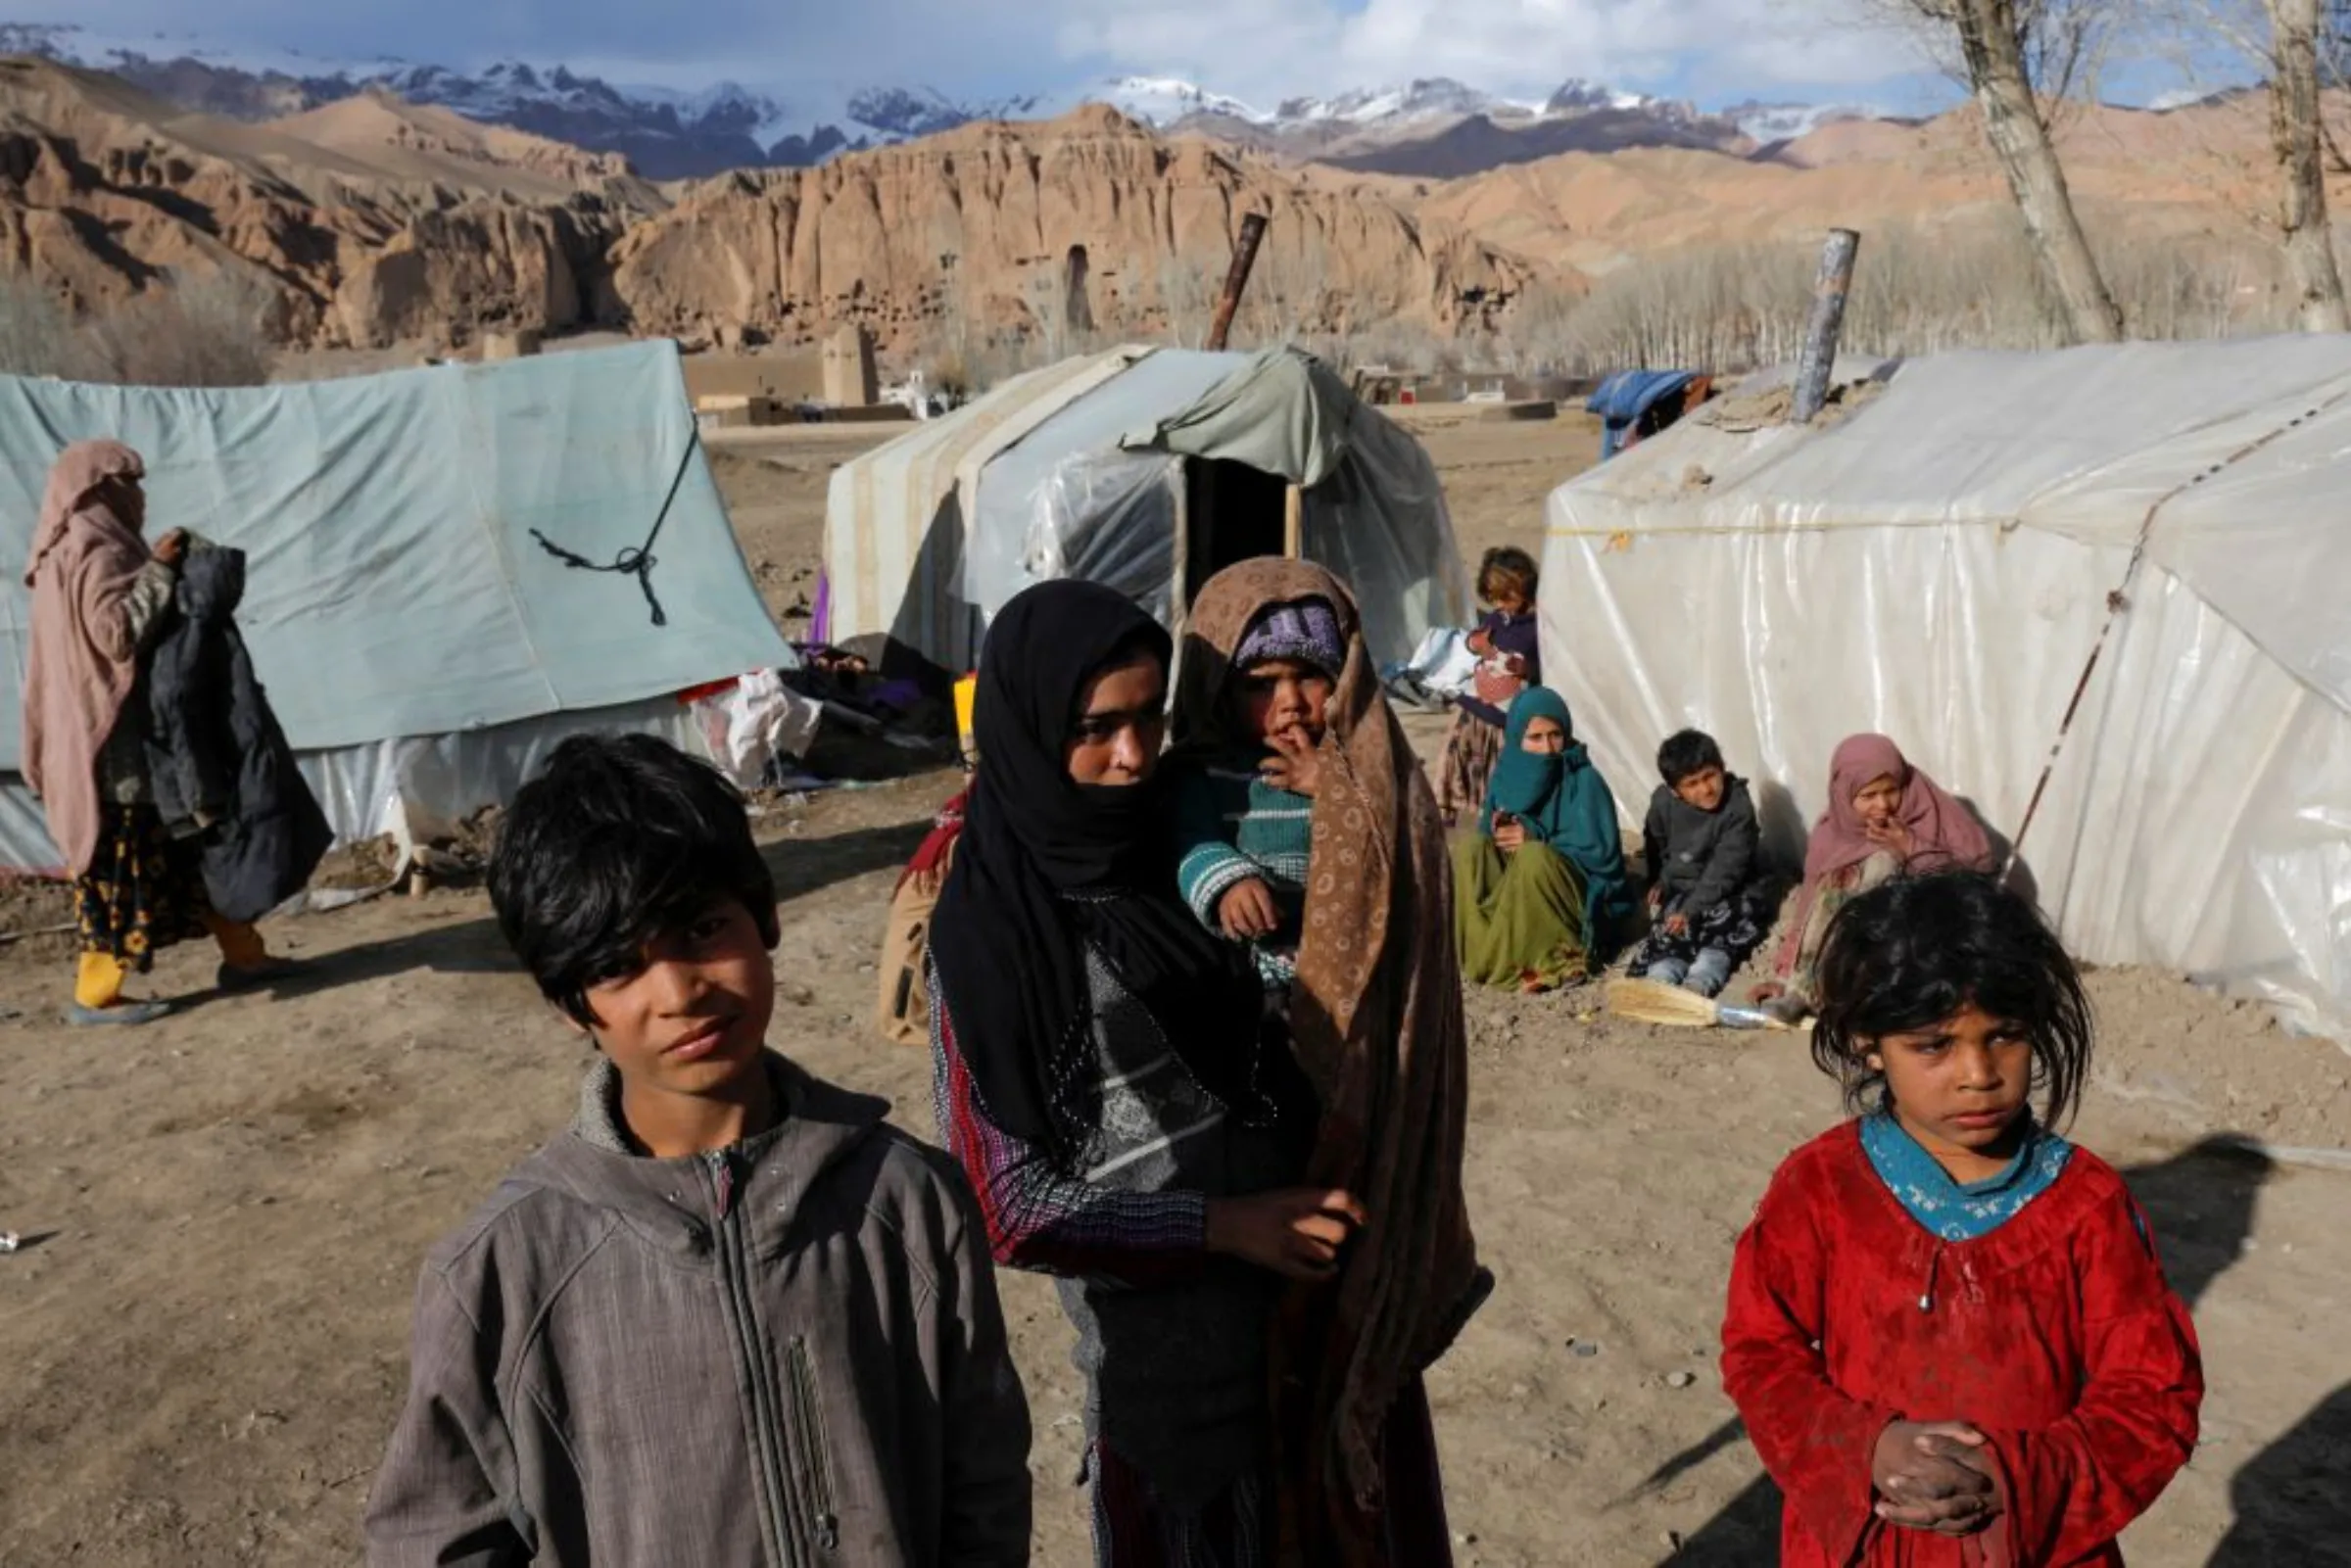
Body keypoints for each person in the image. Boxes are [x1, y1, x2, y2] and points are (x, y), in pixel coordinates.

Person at [364, 734, 1032, 1567]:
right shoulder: (504, 1269)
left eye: (703, 927)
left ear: (767, 914)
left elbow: (984, 1481)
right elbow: (437, 1540)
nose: (679, 991)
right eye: (618, 965)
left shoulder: (905, 1201)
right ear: (569, 1003)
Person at [932, 574, 1479, 1567]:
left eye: (1149, 718)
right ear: (1027, 723)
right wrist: (1230, 1224)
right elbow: (1008, 1202)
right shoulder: (992, 929)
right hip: (1174, 1386)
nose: (1133, 756)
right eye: (1096, 727)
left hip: (1325, 1328)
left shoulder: (1183, 839)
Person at [1721, 871, 2202, 1565]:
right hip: (1865, 1543)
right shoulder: (1822, 1188)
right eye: (1934, 1044)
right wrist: (1865, 1447)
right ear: (1867, 1040)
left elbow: (2154, 1394)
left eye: (2003, 1035)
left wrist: (2022, 1478)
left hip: (2033, 1545)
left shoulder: (2086, 1206)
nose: (1977, 1071)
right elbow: (1762, 1352)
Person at [20, 440, 291, 1025]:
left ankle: (244, 956)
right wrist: (162, 571)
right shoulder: (95, 549)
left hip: (125, 746)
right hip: (119, 753)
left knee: (192, 846)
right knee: (122, 866)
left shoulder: (58, 553)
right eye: (128, 483)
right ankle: (96, 993)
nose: (138, 495)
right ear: (98, 491)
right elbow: (115, 635)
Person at [1169, 593, 1342, 989]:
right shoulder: (1206, 770)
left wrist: (1333, 789)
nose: (1291, 703)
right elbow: (1191, 837)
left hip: (1340, 964)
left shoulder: (1360, 762)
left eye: (1309, 676)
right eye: (1261, 685)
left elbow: (1394, 839)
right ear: (1223, 694)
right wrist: (1229, 882)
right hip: (1247, 970)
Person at [1756, 734, 1992, 1022]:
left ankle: (1880, 997)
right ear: (1844, 795)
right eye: (1868, 796)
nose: (1883, 805)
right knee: (1838, 881)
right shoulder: (1829, 834)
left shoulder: (1930, 810)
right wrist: (1783, 974)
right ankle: (1804, 991)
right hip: (1847, 943)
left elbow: (1977, 872)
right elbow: (1808, 905)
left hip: (1920, 943)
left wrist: (1911, 848)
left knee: (1884, 863)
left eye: (1892, 791)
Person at [1452, 688, 1630, 993]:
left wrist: (1538, 838)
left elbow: (1603, 857)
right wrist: (1500, 833)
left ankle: (1557, 959)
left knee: (1534, 857)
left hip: (1573, 892)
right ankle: (1483, 952)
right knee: (1472, 849)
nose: (1548, 747)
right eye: (1535, 737)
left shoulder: (1583, 779)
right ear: (1517, 736)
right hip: (1515, 884)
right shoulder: (1506, 774)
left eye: (1555, 734)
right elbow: (1488, 840)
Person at [1627, 729, 1769, 998]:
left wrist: (1691, 909)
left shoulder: (1737, 806)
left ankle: (1701, 982)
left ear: (1723, 768)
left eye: (1710, 776)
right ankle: (1662, 980)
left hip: (1731, 889)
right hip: (1684, 888)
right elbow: (1657, 843)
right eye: (1692, 783)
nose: (1706, 789)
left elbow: (1727, 869)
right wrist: (1659, 880)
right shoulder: (1663, 803)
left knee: (1720, 931)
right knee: (1670, 931)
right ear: (1675, 791)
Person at [1435, 546, 1540, 826]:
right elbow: (1475, 641)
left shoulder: (1538, 627)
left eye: (1506, 597)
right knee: (1462, 760)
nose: (1499, 605)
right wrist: (1476, 643)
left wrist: (1526, 669)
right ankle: (1454, 811)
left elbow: (1548, 667)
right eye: (1493, 599)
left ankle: (1493, 818)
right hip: (1474, 707)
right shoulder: (1497, 619)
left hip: (1504, 718)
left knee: (1497, 772)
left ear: (1523, 585)